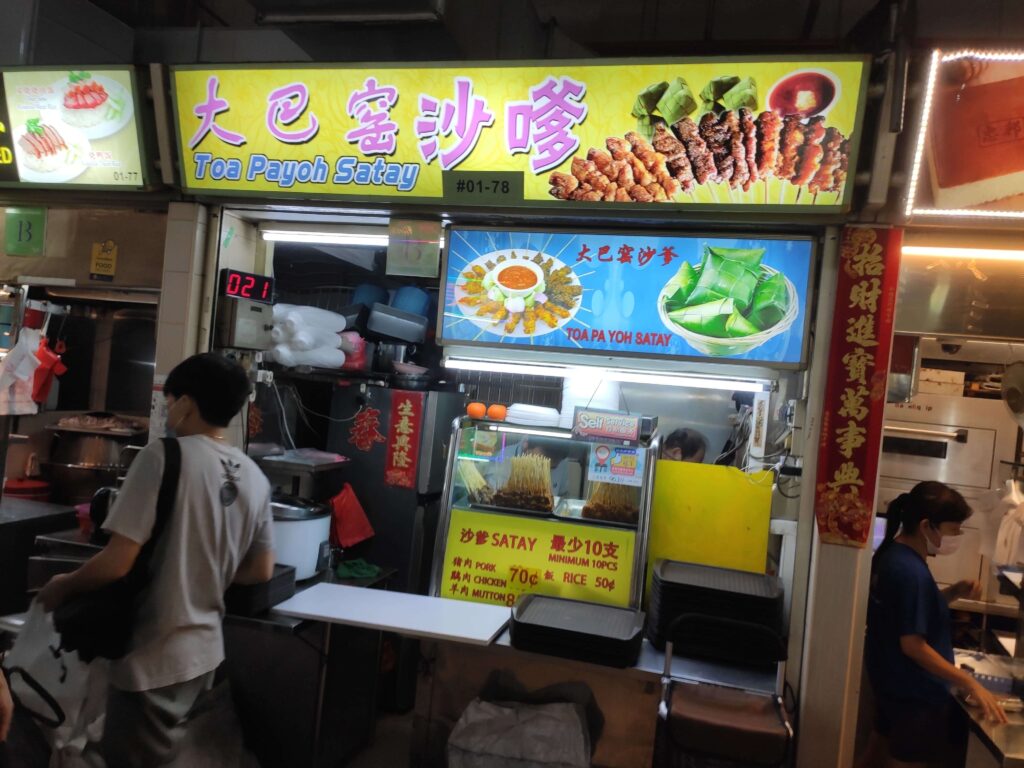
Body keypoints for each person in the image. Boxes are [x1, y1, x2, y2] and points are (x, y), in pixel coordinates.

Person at [38, 353, 275, 768]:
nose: (168, 410)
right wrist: (206, 562)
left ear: (187, 402)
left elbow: (117, 562)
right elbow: (260, 569)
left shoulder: (163, 457)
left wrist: (63, 585)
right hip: (206, 657)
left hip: (154, 654)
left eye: (170, 400)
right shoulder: (253, 475)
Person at [858, 481, 1007, 768]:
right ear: (927, 526)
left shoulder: (893, 555)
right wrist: (968, 681)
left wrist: (953, 592)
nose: (958, 536)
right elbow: (912, 644)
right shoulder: (911, 572)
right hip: (913, 697)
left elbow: (908, 613)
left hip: (891, 686)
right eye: (954, 530)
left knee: (872, 759)